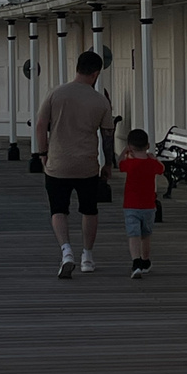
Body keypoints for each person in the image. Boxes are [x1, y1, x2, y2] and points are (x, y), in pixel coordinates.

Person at [35, 50, 115, 279]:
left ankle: (66, 251)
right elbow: (108, 135)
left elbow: (41, 125)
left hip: (57, 164)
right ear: (96, 73)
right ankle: (87, 256)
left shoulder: (56, 94)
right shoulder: (100, 100)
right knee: (89, 210)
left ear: (77, 67)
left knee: (58, 210)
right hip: (87, 165)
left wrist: (43, 153)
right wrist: (107, 164)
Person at [118, 128, 165, 279]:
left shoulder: (130, 164)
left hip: (131, 206)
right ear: (148, 145)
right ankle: (145, 261)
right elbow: (161, 169)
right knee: (146, 235)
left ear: (130, 147)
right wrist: (154, 158)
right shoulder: (151, 163)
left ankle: (136, 262)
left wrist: (124, 152)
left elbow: (119, 164)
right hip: (149, 206)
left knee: (133, 235)